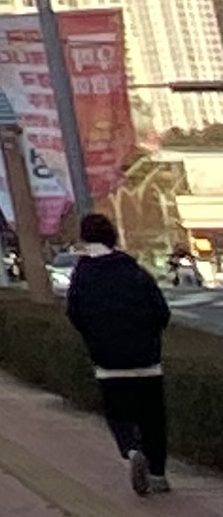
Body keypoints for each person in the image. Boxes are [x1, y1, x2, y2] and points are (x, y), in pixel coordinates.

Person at [65, 211, 177, 496]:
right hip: (147, 360)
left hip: (108, 362)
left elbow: (74, 314)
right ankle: (158, 475)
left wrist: (95, 338)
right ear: (112, 236)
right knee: (153, 418)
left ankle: (131, 449)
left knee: (118, 414)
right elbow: (161, 311)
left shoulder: (82, 275)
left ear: (84, 238)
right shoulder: (134, 270)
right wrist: (149, 337)